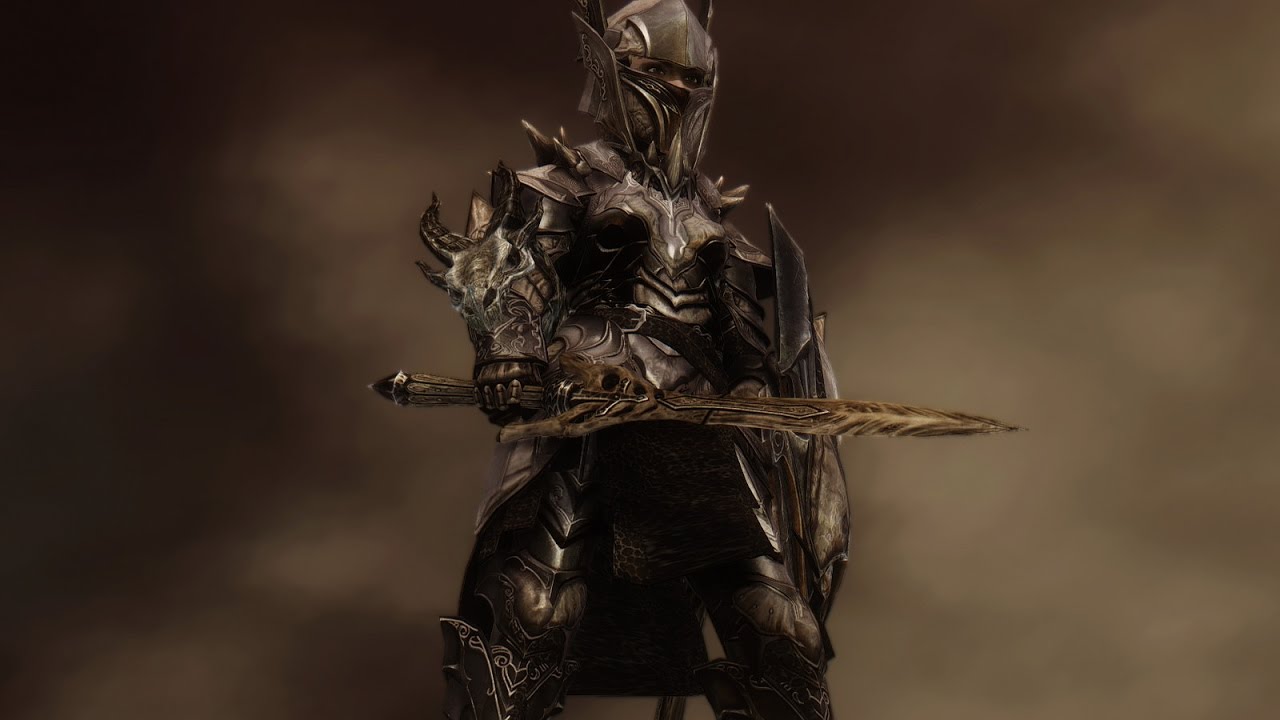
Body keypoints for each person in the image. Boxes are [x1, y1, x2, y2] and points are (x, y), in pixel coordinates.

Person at [415, 2, 849, 718]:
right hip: (589, 415)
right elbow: (517, 280)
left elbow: (739, 331)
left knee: (780, 628)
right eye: (656, 72)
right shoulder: (567, 184)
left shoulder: (709, 213)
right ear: (613, 74)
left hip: (691, 428)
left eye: (691, 78)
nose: (676, 91)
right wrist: (512, 357)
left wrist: (752, 389)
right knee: (536, 611)